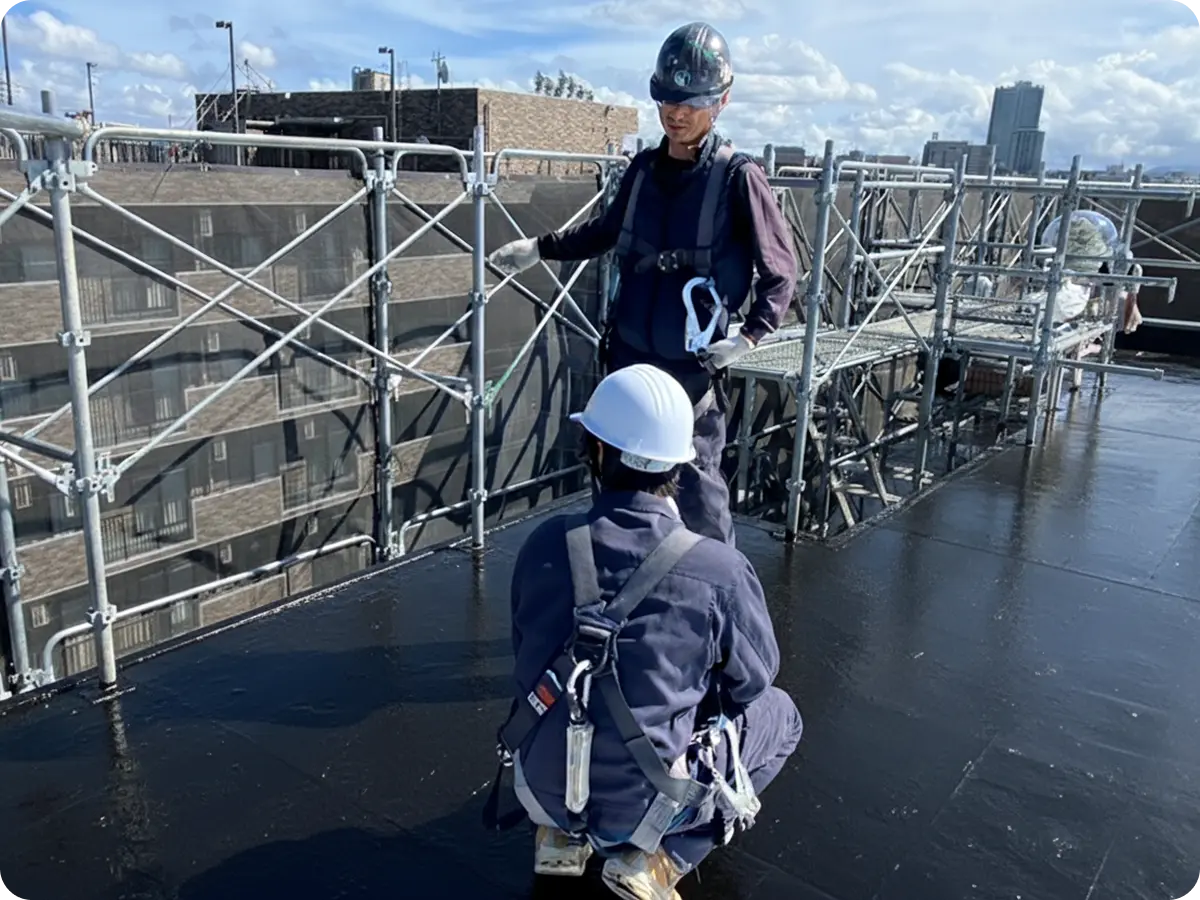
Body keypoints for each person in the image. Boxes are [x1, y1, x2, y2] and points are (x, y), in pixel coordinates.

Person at [487, 363, 802, 900]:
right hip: (644, 807)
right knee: (783, 715)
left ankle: (560, 836)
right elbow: (754, 682)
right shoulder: (719, 569)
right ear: (679, 462)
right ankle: (661, 861)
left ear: (596, 450)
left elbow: (528, 654)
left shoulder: (543, 543)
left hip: (538, 785)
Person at [487, 21, 798, 547]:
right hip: (629, 364)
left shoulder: (737, 177)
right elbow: (605, 231)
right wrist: (539, 248)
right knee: (617, 492)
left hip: (690, 375)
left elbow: (780, 271)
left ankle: (715, 586)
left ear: (721, 102)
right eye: (669, 100)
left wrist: (748, 337)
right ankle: (616, 585)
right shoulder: (643, 170)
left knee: (697, 495)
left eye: (692, 103)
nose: (677, 113)